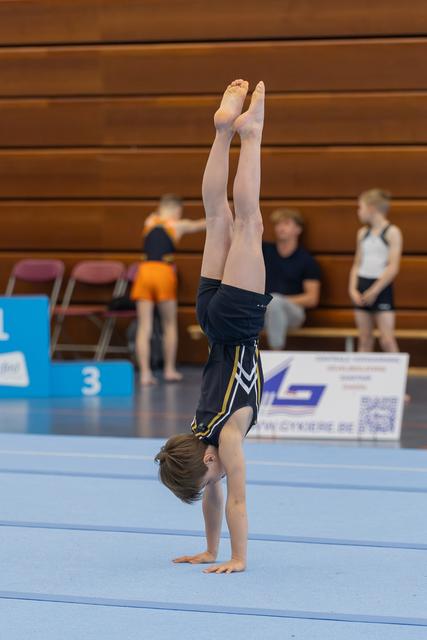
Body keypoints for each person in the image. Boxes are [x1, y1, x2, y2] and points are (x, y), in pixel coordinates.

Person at [155, 79, 271, 574]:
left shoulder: (225, 442)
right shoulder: (197, 435)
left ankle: (252, 133)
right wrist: (208, 549)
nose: (215, 481)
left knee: (248, 222)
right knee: (216, 218)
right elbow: (213, 495)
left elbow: (236, 501)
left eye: (209, 478)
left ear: (205, 461)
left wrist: (237, 557)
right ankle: (222, 131)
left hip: (238, 323)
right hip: (207, 319)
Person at [131, 194, 205, 385]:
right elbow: (202, 224)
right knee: (169, 324)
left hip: (144, 271)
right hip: (163, 272)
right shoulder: (177, 225)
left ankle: (146, 373)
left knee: (144, 325)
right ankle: (169, 369)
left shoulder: (149, 220)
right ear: (177, 211)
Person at [348, 189, 402, 353]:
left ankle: (398, 378)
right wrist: (352, 289)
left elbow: (393, 267)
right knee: (364, 339)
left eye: (360, 207)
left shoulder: (392, 232)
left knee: (387, 340)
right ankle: (360, 378)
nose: (359, 211)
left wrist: (375, 290)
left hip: (381, 287)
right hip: (362, 285)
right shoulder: (362, 233)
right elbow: (357, 263)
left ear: (371, 208)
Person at [262, 209, 321, 349]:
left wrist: (278, 301)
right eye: (278, 224)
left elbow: (312, 298)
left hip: (293, 312)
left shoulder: (306, 260)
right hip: (263, 310)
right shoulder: (264, 251)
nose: (281, 228)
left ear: (298, 229)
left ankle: (276, 352)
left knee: (275, 303)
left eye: (286, 224)